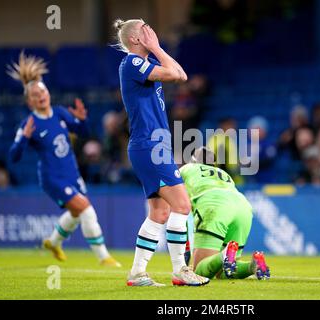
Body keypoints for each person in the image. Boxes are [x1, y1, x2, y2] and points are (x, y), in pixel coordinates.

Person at [115, 19, 209, 287]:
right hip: (149, 145)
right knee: (182, 205)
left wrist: (156, 49)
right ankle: (181, 270)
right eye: (146, 29)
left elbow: (181, 74)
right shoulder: (132, 62)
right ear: (136, 39)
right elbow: (175, 75)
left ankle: (137, 273)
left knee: (160, 213)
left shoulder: (144, 65)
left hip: (152, 145)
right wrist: (155, 47)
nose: (152, 31)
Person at [8, 52, 120, 267]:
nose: (40, 96)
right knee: (86, 209)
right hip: (53, 178)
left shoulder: (59, 113)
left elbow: (83, 133)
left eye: (42, 92)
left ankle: (53, 242)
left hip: (72, 173)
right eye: (35, 95)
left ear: (48, 93)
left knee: (77, 214)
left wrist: (82, 120)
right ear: (29, 102)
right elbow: (14, 156)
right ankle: (104, 257)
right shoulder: (28, 124)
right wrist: (24, 139)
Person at [181, 147, 270, 280]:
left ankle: (224, 255)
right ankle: (252, 266)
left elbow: (178, 209)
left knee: (199, 272)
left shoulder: (186, 169)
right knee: (225, 270)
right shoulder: (223, 174)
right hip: (243, 206)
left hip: (213, 204)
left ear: (193, 160)